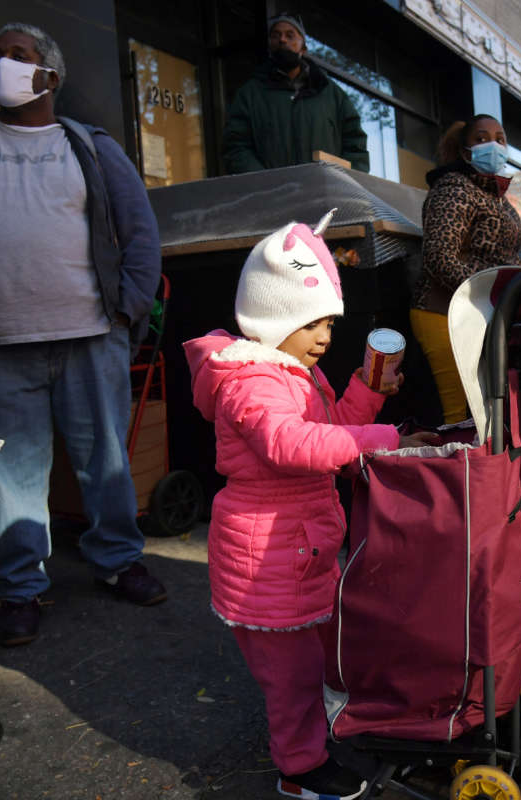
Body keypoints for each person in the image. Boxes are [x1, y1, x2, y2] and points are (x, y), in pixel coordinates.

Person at [0, 23, 167, 647]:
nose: (3, 64)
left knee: (106, 462)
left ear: (50, 76)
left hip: (89, 337)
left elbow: (140, 232)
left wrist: (127, 313)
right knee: (14, 480)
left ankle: (117, 560)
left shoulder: (90, 146)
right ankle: (20, 587)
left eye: (19, 56)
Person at [183, 215, 436, 800]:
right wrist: (388, 439)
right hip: (268, 556)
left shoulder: (295, 373)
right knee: (292, 676)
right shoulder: (253, 382)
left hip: (297, 549)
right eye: (312, 322)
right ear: (273, 318)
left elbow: (333, 434)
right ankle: (299, 770)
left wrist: (369, 392)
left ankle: (312, 738)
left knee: (311, 658)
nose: (324, 336)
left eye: (327, 322)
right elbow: (292, 445)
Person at [411, 114, 521, 423]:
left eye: (500, 139)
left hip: (476, 313)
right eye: (482, 138)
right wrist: (490, 291)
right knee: (459, 416)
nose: (494, 145)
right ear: (465, 152)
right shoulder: (454, 188)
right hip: (443, 312)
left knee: (482, 414)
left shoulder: (495, 195)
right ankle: (459, 472)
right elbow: (438, 256)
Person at [223, 13, 369, 174]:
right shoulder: (250, 95)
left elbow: (356, 146)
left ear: (303, 48)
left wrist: (346, 186)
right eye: (275, 36)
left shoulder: (331, 94)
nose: (282, 40)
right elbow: (235, 147)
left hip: (324, 195)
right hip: (270, 196)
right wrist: (263, 181)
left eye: (290, 35)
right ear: (270, 45)